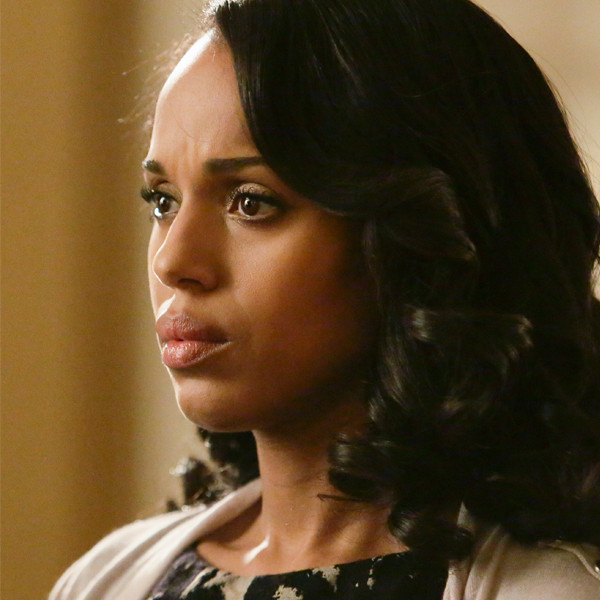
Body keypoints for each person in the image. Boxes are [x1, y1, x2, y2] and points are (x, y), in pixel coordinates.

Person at [50, 0, 600, 598]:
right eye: (163, 201)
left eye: (250, 202)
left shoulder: (551, 589)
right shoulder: (103, 582)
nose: (173, 261)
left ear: (417, 234)